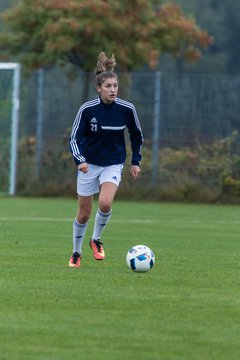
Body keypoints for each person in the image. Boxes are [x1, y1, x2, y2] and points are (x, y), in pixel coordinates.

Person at [68, 51, 143, 268]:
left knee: (105, 202)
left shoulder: (127, 109)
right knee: (83, 214)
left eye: (115, 86)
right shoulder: (87, 110)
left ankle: (96, 239)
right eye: (108, 86)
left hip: (113, 163)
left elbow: (137, 135)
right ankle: (76, 252)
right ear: (99, 88)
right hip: (88, 165)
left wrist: (135, 161)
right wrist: (80, 160)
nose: (113, 90)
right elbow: (74, 138)